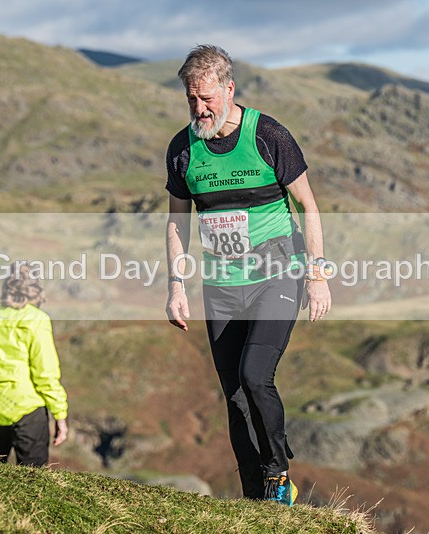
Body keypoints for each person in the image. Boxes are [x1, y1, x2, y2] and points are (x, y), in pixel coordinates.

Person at [164, 44, 332, 506]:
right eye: (191, 99)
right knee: (235, 396)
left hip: (277, 273)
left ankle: (278, 474)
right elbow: (177, 222)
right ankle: (256, 500)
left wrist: (317, 275)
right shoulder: (182, 149)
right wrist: (176, 286)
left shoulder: (268, 135)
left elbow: (308, 205)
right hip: (221, 284)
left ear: (229, 89)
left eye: (207, 98)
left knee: (256, 374)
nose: (200, 108)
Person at [0, 263, 69, 466]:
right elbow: (45, 374)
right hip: (27, 412)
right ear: (36, 290)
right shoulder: (37, 320)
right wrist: (60, 415)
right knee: (34, 477)